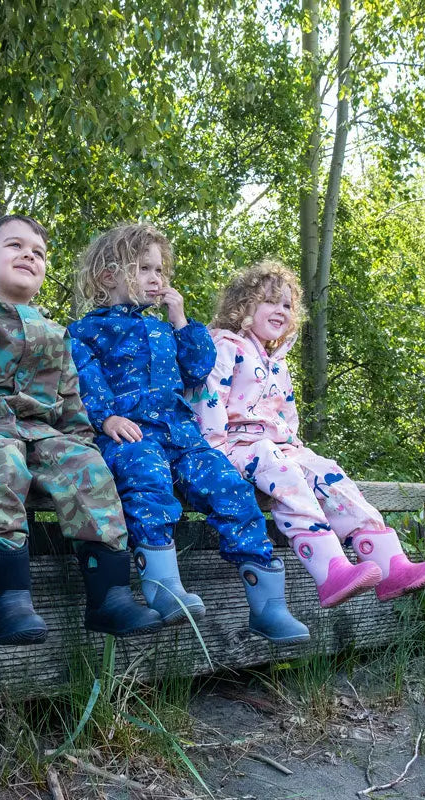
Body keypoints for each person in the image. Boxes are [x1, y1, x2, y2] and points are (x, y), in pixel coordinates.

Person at [0, 215, 162, 645]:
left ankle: (110, 596)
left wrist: (80, 442)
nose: (29, 255)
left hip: (43, 433)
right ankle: (10, 600)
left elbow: (69, 399)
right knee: (0, 468)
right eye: (15, 247)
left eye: (39, 253)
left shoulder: (52, 332)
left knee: (89, 468)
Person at [69, 224, 310, 644]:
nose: (156, 279)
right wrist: (105, 418)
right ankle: (164, 587)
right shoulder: (85, 331)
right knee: (148, 482)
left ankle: (268, 606)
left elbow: (200, 368)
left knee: (230, 488)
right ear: (109, 276)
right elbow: (84, 380)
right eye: (143, 269)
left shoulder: (165, 331)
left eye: (159, 270)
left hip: (183, 435)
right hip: (132, 433)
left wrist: (181, 320)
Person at [194, 258, 425, 607]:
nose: (280, 309)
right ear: (243, 306)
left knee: (328, 470)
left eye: (287, 304)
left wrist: (298, 449)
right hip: (236, 446)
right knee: (283, 471)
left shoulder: (277, 361)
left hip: (278, 447)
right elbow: (210, 398)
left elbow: (287, 414)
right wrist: (214, 453)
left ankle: (389, 565)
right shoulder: (226, 345)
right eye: (269, 300)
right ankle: (329, 569)